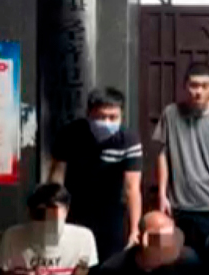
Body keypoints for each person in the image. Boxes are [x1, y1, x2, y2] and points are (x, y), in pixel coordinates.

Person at [154, 61, 209, 255]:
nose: (199, 91)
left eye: (204, 86)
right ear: (185, 86)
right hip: (178, 205)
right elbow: (162, 154)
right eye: (194, 85)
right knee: (175, 258)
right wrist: (162, 194)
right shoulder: (170, 114)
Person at [49, 87, 142, 261]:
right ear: (89, 114)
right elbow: (57, 177)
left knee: (110, 262)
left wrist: (135, 229)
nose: (107, 122)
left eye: (113, 117)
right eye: (100, 117)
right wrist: (53, 214)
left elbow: (132, 188)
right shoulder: (70, 134)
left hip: (111, 212)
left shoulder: (128, 140)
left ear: (122, 116)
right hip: (75, 209)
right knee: (76, 260)